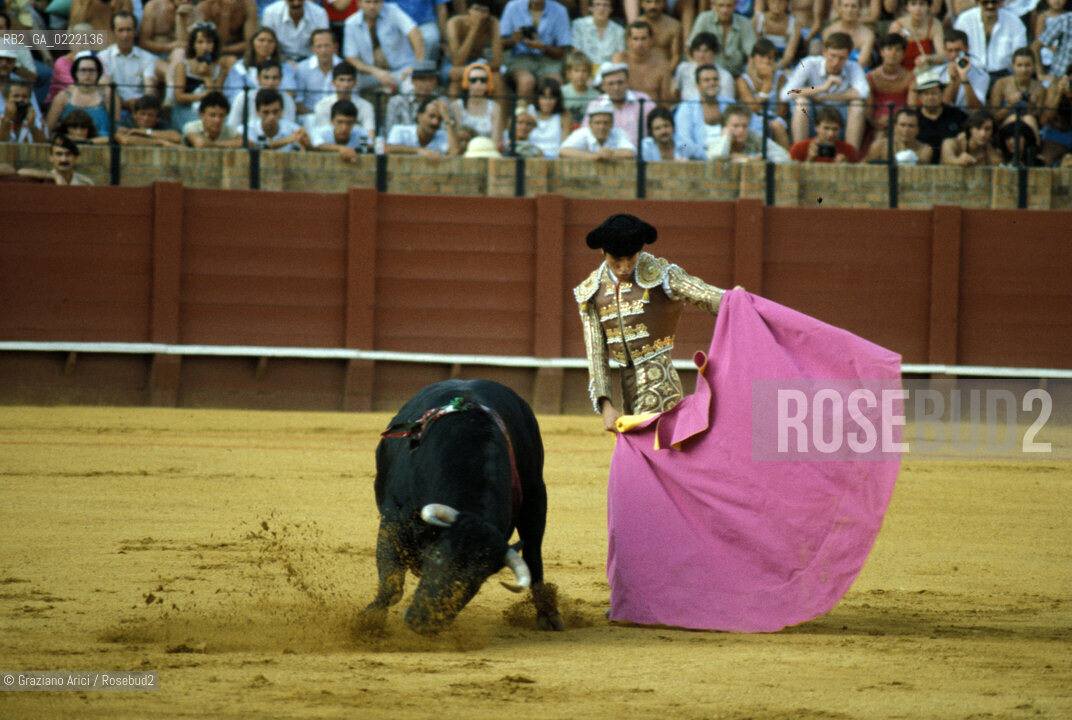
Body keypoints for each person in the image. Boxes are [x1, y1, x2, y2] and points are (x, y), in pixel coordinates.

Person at [573, 213, 727, 428]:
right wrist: (605, 405)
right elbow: (596, 352)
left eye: (631, 258)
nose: (625, 268)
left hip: (660, 383)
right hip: (628, 386)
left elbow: (705, 295)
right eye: (617, 260)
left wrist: (734, 300)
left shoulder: (661, 275)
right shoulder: (591, 290)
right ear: (603, 252)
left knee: (654, 451)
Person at [781, 31, 868, 151]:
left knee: (857, 105)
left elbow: (863, 92)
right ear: (824, 51)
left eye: (841, 58)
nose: (836, 62)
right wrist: (822, 88)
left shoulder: (853, 67)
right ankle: (799, 152)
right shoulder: (809, 63)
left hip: (839, 122)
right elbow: (786, 94)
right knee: (801, 103)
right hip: (813, 119)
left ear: (848, 57)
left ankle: (851, 154)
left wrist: (826, 97)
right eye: (832, 56)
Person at [342, 0, 426, 93]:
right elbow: (351, 58)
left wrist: (416, 67)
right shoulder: (351, 23)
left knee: (411, 88)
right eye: (368, 2)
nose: (372, 6)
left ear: (382, 2)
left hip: (402, 70)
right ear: (359, 3)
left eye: (376, 2)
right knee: (348, 85)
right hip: (372, 74)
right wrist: (376, 72)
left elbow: (415, 34)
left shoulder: (393, 11)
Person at [500, 0, 572, 102]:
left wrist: (542, 47)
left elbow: (561, 52)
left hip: (548, 60)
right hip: (520, 58)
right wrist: (513, 40)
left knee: (554, 83)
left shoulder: (560, 11)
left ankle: (548, 117)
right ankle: (521, 115)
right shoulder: (513, 7)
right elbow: (500, 44)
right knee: (526, 81)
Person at [170, 23, 229, 132]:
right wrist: (202, 97)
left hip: (210, 112)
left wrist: (206, 76)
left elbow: (215, 98)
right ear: (193, 45)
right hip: (186, 109)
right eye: (200, 42)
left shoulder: (219, 69)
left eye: (209, 42)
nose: (205, 46)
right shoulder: (183, 66)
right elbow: (178, 96)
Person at [45, 51, 117, 138]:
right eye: (83, 70)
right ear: (75, 73)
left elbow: (117, 128)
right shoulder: (63, 97)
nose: (87, 74)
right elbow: (48, 129)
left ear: (98, 73)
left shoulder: (107, 95)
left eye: (91, 70)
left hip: (101, 146)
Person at [98, 12, 159, 114]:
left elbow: (149, 87)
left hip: (142, 108)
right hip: (114, 107)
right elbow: (105, 90)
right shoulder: (103, 57)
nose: (125, 35)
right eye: (121, 30)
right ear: (113, 32)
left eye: (129, 30)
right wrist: (124, 103)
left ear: (135, 31)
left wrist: (141, 103)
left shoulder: (147, 57)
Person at [954, 0, 1028, 83]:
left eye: (994, 2)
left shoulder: (1014, 22)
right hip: (971, 74)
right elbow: (956, 51)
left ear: (1000, 2)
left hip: (1003, 76)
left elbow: (1020, 55)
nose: (990, 6)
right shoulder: (964, 20)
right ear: (977, 3)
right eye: (985, 3)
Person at [584, 61, 655, 148]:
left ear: (627, 83)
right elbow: (587, 134)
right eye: (611, 84)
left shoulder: (642, 100)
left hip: (639, 157)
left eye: (620, 82)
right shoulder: (596, 104)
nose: (616, 88)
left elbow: (655, 130)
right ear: (603, 86)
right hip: (606, 157)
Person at [735, 38, 790, 148]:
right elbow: (753, 109)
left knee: (777, 125)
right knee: (759, 124)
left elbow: (783, 110)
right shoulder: (743, 80)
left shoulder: (781, 78)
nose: (766, 61)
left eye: (769, 58)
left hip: (774, 118)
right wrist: (767, 83)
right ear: (753, 59)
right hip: (752, 118)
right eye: (762, 57)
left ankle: (786, 160)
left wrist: (769, 122)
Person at [444, 0, 504, 97]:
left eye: (484, 10)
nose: (479, 14)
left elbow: (497, 62)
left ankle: (500, 112)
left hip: (478, 62)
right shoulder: (455, 23)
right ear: (469, 10)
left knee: (498, 78)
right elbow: (457, 61)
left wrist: (472, 69)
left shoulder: (493, 23)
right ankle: (452, 111)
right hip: (454, 64)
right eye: (476, 9)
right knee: (455, 79)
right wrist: (474, 29)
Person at [224, 26, 299, 101]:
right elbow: (234, 95)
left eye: (270, 41)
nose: (266, 45)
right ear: (253, 42)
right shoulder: (240, 67)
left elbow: (290, 92)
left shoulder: (285, 67)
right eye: (261, 40)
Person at [674, 63, 733, 156]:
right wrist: (706, 156)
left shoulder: (730, 104)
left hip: (729, 159)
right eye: (706, 80)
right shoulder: (686, 108)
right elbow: (682, 144)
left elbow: (755, 128)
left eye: (715, 79)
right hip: (696, 163)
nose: (712, 83)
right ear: (697, 85)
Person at [687, 0, 757, 78]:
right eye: (721, 5)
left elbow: (752, 53)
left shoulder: (744, 23)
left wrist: (750, 75)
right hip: (708, 74)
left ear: (735, 5)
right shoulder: (704, 19)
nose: (725, 10)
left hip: (737, 74)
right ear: (713, 6)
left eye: (729, 6)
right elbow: (690, 48)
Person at [611, 21, 675, 105]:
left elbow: (665, 100)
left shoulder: (662, 65)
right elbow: (612, 89)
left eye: (643, 38)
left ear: (652, 40)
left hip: (652, 113)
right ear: (628, 41)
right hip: (625, 110)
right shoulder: (620, 59)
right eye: (635, 39)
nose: (640, 44)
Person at [913, 68, 968, 162]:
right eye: (926, 94)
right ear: (920, 97)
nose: (930, 97)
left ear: (942, 94)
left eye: (934, 93)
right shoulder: (913, 118)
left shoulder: (957, 115)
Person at [865, 33, 912, 144]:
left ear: (903, 54)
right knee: (880, 136)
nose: (893, 53)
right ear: (881, 52)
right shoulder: (870, 78)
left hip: (902, 124)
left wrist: (893, 121)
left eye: (898, 50)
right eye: (889, 49)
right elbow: (868, 109)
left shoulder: (910, 78)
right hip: (877, 124)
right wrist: (874, 122)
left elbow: (911, 108)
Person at [988, 47, 1045, 133]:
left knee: (1029, 119)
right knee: (1014, 118)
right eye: (1019, 65)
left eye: (1027, 65)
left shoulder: (1039, 88)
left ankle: (1034, 146)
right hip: (1005, 128)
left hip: (1028, 129)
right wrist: (1009, 105)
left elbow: (1040, 121)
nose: (1024, 70)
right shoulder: (1001, 84)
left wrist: (1031, 106)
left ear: (1033, 66)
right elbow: (994, 116)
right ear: (1013, 66)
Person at [228, 59, 298, 129]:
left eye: (275, 78)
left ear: (281, 79)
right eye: (266, 78)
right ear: (257, 78)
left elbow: (290, 128)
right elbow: (232, 127)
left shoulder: (287, 99)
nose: (270, 82)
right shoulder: (244, 97)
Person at [707, 102, 792, 160]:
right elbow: (717, 157)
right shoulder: (717, 140)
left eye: (744, 126)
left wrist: (753, 159)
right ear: (725, 127)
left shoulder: (752, 137)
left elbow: (784, 156)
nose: (741, 130)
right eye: (735, 126)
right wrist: (726, 136)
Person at [311, 61, 376, 136]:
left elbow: (370, 135)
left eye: (349, 80)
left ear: (355, 83)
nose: (345, 85)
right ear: (333, 82)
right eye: (341, 80)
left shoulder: (366, 106)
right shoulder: (322, 106)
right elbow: (325, 135)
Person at [560, 98, 638, 159]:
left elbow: (630, 152)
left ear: (612, 124)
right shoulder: (582, 133)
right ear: (590, 124)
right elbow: (563, 150)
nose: (601, 127)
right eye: (597, 123)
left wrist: (610, 154)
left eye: (605, 123)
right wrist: (595, 156)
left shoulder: (618, 133)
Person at [383, 59, 443, 135]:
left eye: (431, 79)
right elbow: (390, 134)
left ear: (436, 82)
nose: (427, 84)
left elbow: (444, 135)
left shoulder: (442, 102)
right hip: (401, 145)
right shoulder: (397, 102)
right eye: (422, 79)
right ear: (413, 81)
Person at [451, 61, 506, 145]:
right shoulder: (457, 106)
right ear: (466, 83)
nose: (478, 83)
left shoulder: (495, 107)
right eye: (473, 80)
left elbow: (496, 139)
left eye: (483, 80)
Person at [934, 29, 990, 110]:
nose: (954, 55)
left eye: (958, 50)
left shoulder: (981, 76)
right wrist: (952, 80)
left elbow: (976, 109)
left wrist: (964, 78)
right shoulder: (936, 73)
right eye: (950, 51)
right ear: (944, 50)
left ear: (967, 48)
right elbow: (940, 107)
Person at [385, 96, 460, 156]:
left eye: (440, 119)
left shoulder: (442, 136)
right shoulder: (400, 130)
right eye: (431, 116)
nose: (435, 122)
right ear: (419, 117)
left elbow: (455, 152)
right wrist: (418, 150)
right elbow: (387, 149)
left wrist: (447, 118)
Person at [674, 31, 736, 101]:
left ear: (714, 52)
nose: (701, 55)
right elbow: (676, 94)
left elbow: (727, 104)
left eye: (706, 51)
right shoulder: (683, 68)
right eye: (697, 50)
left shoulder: (725, 76)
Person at [242, 87, 312, 149]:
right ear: (257, 112)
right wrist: (289, 139)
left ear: (281, 111)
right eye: (266, 112)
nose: (271, 117)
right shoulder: (248, 129)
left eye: (275, 112)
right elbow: (260, 147)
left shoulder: (291, 128)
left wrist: (304, 139)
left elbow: (309, 145)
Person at [262, 0, 330, 62]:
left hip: (311, 61)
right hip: (279, 61)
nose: (296, 3)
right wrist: (287, 61)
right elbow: (268, 44)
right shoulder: (271, 12)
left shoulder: (319, 13)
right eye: (291, 0)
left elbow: (324, 42)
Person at [294, 28, 343, 114]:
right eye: (319, 46)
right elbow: (298, 103)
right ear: (312, 49)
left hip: (338, 117)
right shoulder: (302, 68)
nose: (323, 51)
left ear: (335, 47)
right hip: (310, 116)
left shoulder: (344, 67)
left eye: (327, 46)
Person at [861, 107, 933, 163]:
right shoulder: (879, 146)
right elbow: (863, 169)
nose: (906, 130)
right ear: (895, 127)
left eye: (911, 126)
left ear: (917, 129)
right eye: (902, 125)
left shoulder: (925, 150)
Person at [391, 0, 452, 66]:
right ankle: (404, 71)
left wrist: (444, 40)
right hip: (397, 23)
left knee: (431, 38)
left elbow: (441, 8)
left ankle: (424, 71)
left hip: (424, 21)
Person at [788, 105, 858, 161]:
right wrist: (810, 159)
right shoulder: (799, 149)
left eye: (835, 129)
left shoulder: (848, 151)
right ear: (816, 127)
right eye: (826, 128)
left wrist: (846, 166)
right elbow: (794, 175)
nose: (830, 133)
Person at [889, 0, 944, 70]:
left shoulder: (934, 24)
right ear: (907, 7)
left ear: (928, 7)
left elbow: (942, 56)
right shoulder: (897, 26)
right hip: (901, 71)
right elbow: (889, 55)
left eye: (922, 4)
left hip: (925, 70)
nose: (918, 8)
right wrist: (900, 44)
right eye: (913, 4)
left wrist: (928, 58)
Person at [18, 135, 95, 185]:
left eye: (68, 155)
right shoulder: (44, 178)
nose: (63, 159)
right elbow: (21, 171)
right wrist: (54, 176)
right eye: (59, 154)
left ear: (75, 158)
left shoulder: (86, 183)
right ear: (51, 157)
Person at [525, 75, 572, 157]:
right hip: (531, 157)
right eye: (543, 97)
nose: (547, 102)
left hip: (555, 160)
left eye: (551, 98)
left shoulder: (564, 115)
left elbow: (565, 145)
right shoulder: (529, 111)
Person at [570, 0, 626, 66]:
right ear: (590, 8)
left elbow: (620, 56)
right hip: (585, 69)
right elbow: (576, 52)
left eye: (605, 5)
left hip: (609, 71)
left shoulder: (619, 30)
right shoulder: (579, 25)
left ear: (611, 9)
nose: (601, 8)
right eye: (597, 4)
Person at [194, 0, 258, 57]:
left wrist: (225, 49)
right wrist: (225, 15)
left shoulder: (248, 5)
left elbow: (251, 42)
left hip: (238, 51)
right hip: (211, 52)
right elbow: (216, 42)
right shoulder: (205, 7)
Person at [640, 104, 706, 159]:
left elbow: (702, 157)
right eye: (658, 128)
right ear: (651, 132)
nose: (663, 131)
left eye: (666, 126)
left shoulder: (683, 145)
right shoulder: (647, 147)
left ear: (673, 127)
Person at [115, 94, 183, 144]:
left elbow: (176, 137)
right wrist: (160, 142)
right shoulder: (125, 123)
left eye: (150, 115)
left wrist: (144, 131)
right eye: (142, 114)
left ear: (157, 118)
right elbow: (125, 140)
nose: (146, 118)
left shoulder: (161, 124)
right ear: (134, 115)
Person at [752, 0, 799, 71]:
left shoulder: (794, 24)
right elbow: (755, 49)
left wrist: (777, 67)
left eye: (781, 1)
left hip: (782, 64)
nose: (776, 4)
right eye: (773, 1)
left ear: (787, 3)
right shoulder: (757, 21)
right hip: (760, 62)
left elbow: (789, 55)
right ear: (768, 2)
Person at [1039, 73, 1072, 165]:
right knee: (1045, 160)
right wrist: (1059, 93)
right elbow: (1044, 120)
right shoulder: (1056, 85)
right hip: (1057, 134)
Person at [0, 79, 47, 143]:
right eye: (16, 96)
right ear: (6, 99)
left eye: (24, 97)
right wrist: (6, 120)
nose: (20, 100)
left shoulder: (37, 121)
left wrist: (32, 126)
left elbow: (43, 146)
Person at [561, 50, 600, 125]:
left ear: (589, 74)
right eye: (576, 71)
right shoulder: (562, 92)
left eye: (584, 71)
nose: (580, 75)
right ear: (568, 73)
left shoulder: (596, 95)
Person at [70, 0, 135, 38]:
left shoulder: (123, 2)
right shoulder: (81, 2)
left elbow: (127, 24)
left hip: (114, 48)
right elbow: (75, 25)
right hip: (90, 48)